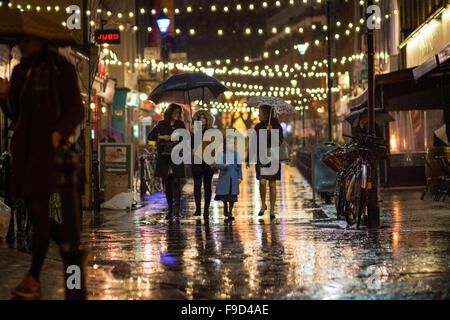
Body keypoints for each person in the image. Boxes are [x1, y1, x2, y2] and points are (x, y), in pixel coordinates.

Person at [0, 35, 85, 299]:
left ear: (40, 40)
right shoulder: (20, 69)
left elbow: (75, 111)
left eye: (25, 41)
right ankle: (72, 249)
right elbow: (16, 113)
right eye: (18, 42)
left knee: (38, 210)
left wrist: (58, 134)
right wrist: (4, 96)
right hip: (24, 150)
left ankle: (34, 276)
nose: (20, 46)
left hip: (49, 150)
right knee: (34, 211)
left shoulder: (61, 68)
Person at [148, 104, 186, 219]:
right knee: (167, 184)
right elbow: (151, 136)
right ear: (169, 112)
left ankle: (177, 209)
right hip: (164, 156)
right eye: (175, 112)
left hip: (176, 156)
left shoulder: (180, 125)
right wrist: (163, 137)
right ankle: (170, 209)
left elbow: (186, 138)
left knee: (177, 183)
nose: (177, 115)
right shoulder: (161, 124)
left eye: (178, 112)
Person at [251, 105, 283, 219]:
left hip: (273, 156)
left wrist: (272, 132)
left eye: (260, 112)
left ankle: (272, 209)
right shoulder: (258, 127)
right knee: (262, 182)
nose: (258, 115)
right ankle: (263, 204)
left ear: (266, 113)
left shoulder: (277, 127)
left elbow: (279, 142)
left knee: (272, 184)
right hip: (261, 157)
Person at [191, 109, 216, 219]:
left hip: (208, 161)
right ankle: (198, 208)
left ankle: (206, 209)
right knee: (197, 185)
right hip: (197, 161)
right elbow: (191, 145)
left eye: (204, 118)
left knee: (207, 185)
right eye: (200, 118)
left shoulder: (211, 132)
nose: (202, 120)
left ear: (207, 120)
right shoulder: (195, 132)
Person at [214, 136, 243, 221]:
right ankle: (225, 206)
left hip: (233, 179)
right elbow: (217, 165)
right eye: (229, 143)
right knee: (224, 196)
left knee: (232, 197)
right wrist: (224, 166)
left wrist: (240, 177)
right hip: (224, 179)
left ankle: (230, 212)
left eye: (232, 143)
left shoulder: (236, 154)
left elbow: (239, 167)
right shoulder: (221, 154)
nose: (231, 145)